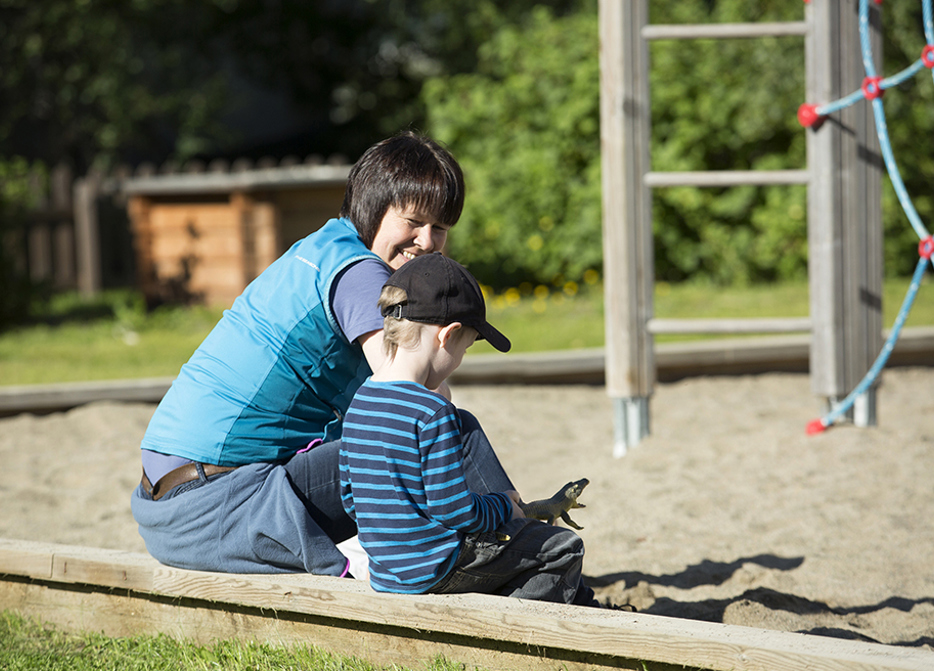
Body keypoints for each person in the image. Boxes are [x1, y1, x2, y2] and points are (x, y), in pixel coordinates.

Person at [131, 131, 516, 578]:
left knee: (411, 438)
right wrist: (502, 503)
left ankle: (500, 542)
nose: (427, 241)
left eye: (441, 228)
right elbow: (412, 396)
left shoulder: (324, 248)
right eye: (413, 221)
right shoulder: (360, 275)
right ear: (373, 208)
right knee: (449, 428)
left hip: (167, 508)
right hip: (218, 509)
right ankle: (526, 550)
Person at [339, 253, 599, 606]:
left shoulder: (361, 401)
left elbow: (351, 498)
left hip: (386, 574)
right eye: (465, 348)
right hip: (436, 568)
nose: (459, 361)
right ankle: (509, 630)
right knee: (563, 548)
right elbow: (454, 511)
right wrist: (502, 506)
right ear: (448, 336)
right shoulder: (432, 411)